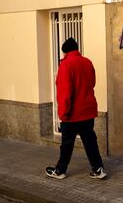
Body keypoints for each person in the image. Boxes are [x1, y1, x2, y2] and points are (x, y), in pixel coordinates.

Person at [46, 37, 107, 180]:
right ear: (76, 49)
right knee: (90, 141)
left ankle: (60, 170)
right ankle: (98, 169)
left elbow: (65, 93)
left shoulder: (66, 65)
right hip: (87, 111)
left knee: (66, 144)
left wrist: (63, 113)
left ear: (65, 52)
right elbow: (92, 83)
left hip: (72, 114)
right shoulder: (87, 62)